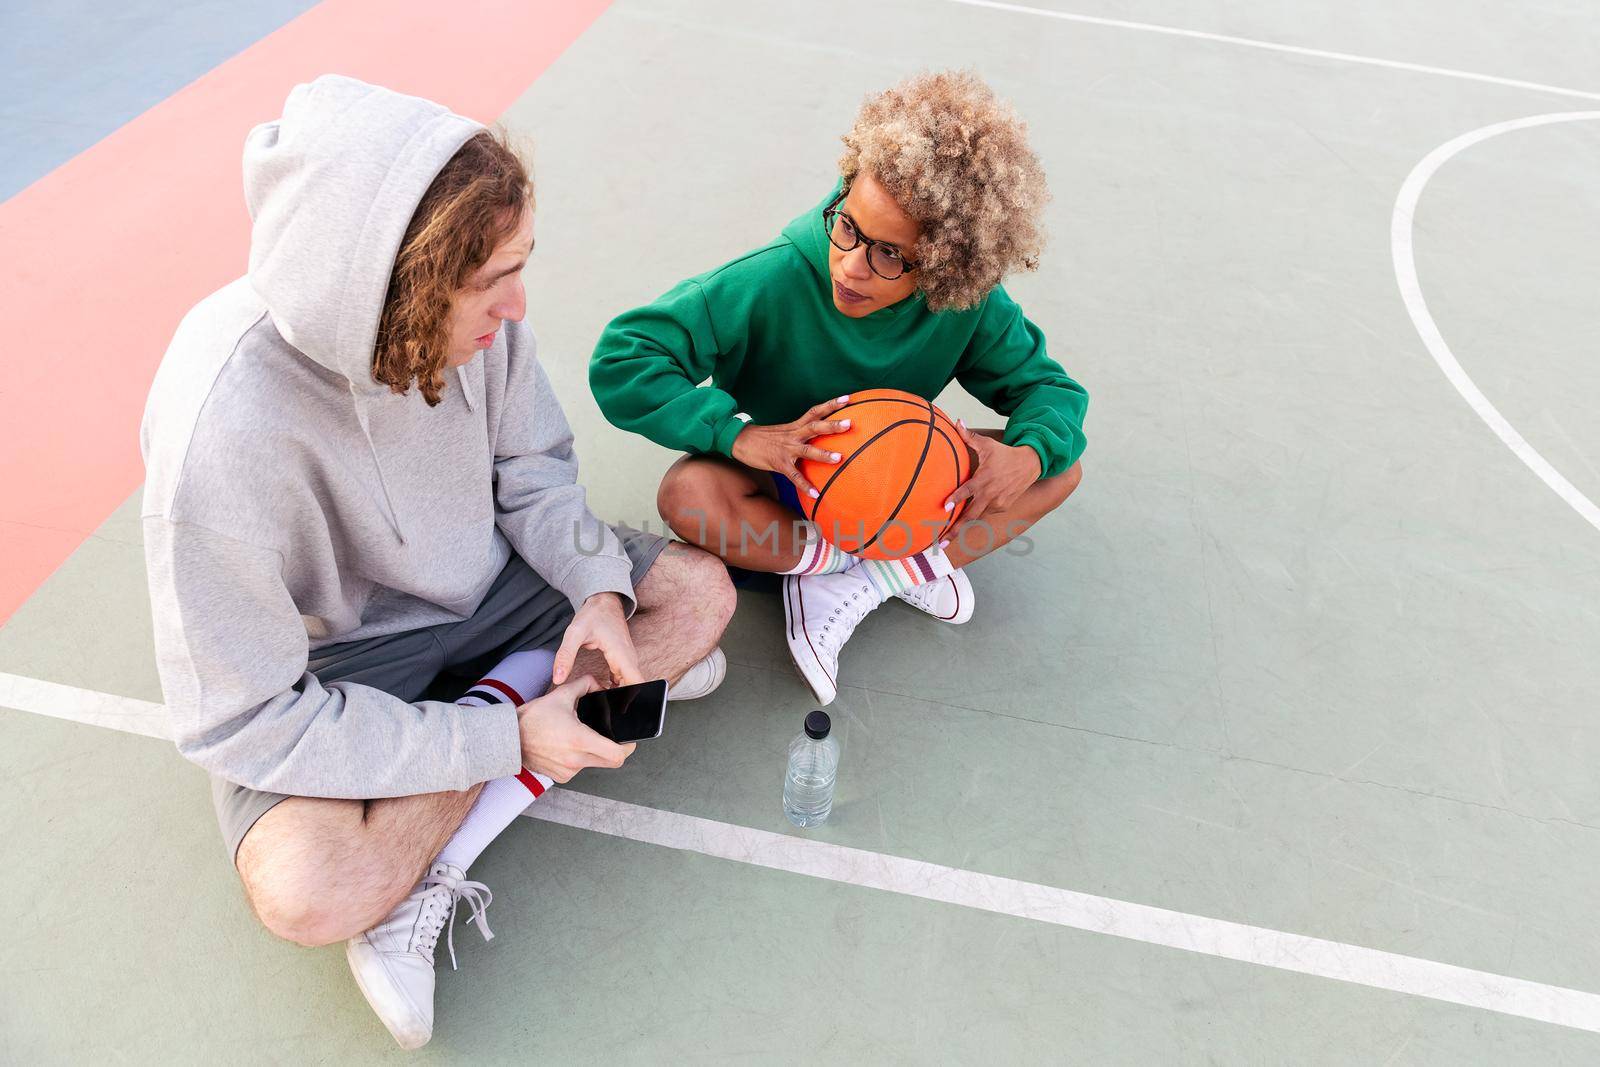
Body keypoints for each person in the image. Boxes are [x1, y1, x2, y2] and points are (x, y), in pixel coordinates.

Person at [140, 75, 735, 1049]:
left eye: (522, 262)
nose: (519, 301)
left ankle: (446, 808)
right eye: (492, 277)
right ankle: (504, 739)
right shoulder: (223, 429)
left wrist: (591, 584)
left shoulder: (482, 330)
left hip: (492, 587)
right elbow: (242, 718)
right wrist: (505, 742)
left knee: (697, 594)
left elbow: (532, 466)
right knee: (306, 886)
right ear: (401, 281)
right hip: (340, 665)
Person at [590, 70, 1087, 705]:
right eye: (847, 227)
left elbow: (1051, 391)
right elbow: (625, 357)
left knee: (1056, 470)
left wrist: (1026, 455)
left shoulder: (969, 306)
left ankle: (868, 575)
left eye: (889, 255)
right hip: (783, 475)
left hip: (890, 477)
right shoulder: (771, 279)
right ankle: (847, 567)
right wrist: (738, 435)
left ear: (945, 268)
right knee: (688, 494)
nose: (851, 264)